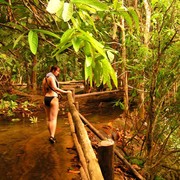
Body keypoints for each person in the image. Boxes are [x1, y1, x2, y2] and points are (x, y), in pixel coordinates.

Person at [42, 65, 71, 144]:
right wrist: (66, 92)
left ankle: (51, 135)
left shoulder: (45, 78)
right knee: (53, 119)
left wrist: (46, 96)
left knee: (48, 119)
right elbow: (54, 88)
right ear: (53, 70)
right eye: (57, 71)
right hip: (53, 98)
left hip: (46, 98)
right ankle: (52, 136)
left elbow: (43, 90)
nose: (58, 73)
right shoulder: (51, 77)